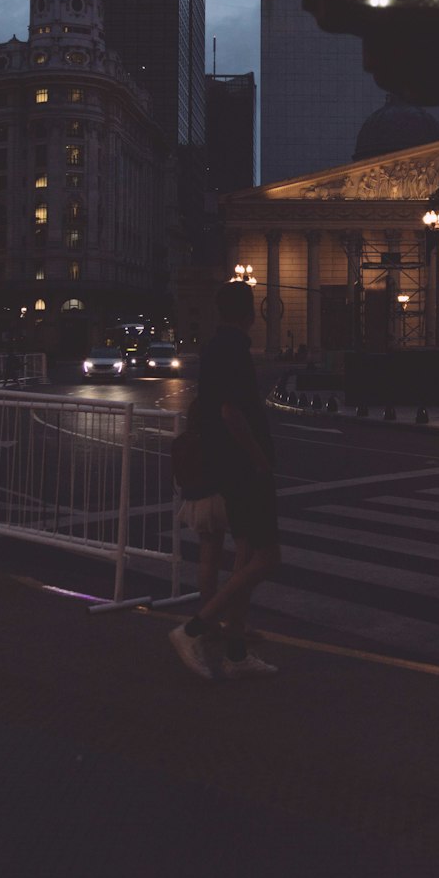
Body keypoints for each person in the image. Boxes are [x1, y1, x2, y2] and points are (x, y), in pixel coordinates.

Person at [169, 279, 281, 680]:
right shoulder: (234, 349)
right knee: (267, 557)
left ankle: (235, 653)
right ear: (250, 312)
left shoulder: (214, 347)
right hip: (244, 468)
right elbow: (232, 412)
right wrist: (259, 460)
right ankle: (193, 628)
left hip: (228, 466)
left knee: (247, 557)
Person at [171, 397, 227, 610]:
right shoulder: (214, 439)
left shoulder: (187, 437)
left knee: (207, 558)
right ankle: (212, 611)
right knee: (216, 557)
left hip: (194, 499)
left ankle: (207, 607)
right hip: (214, 499)